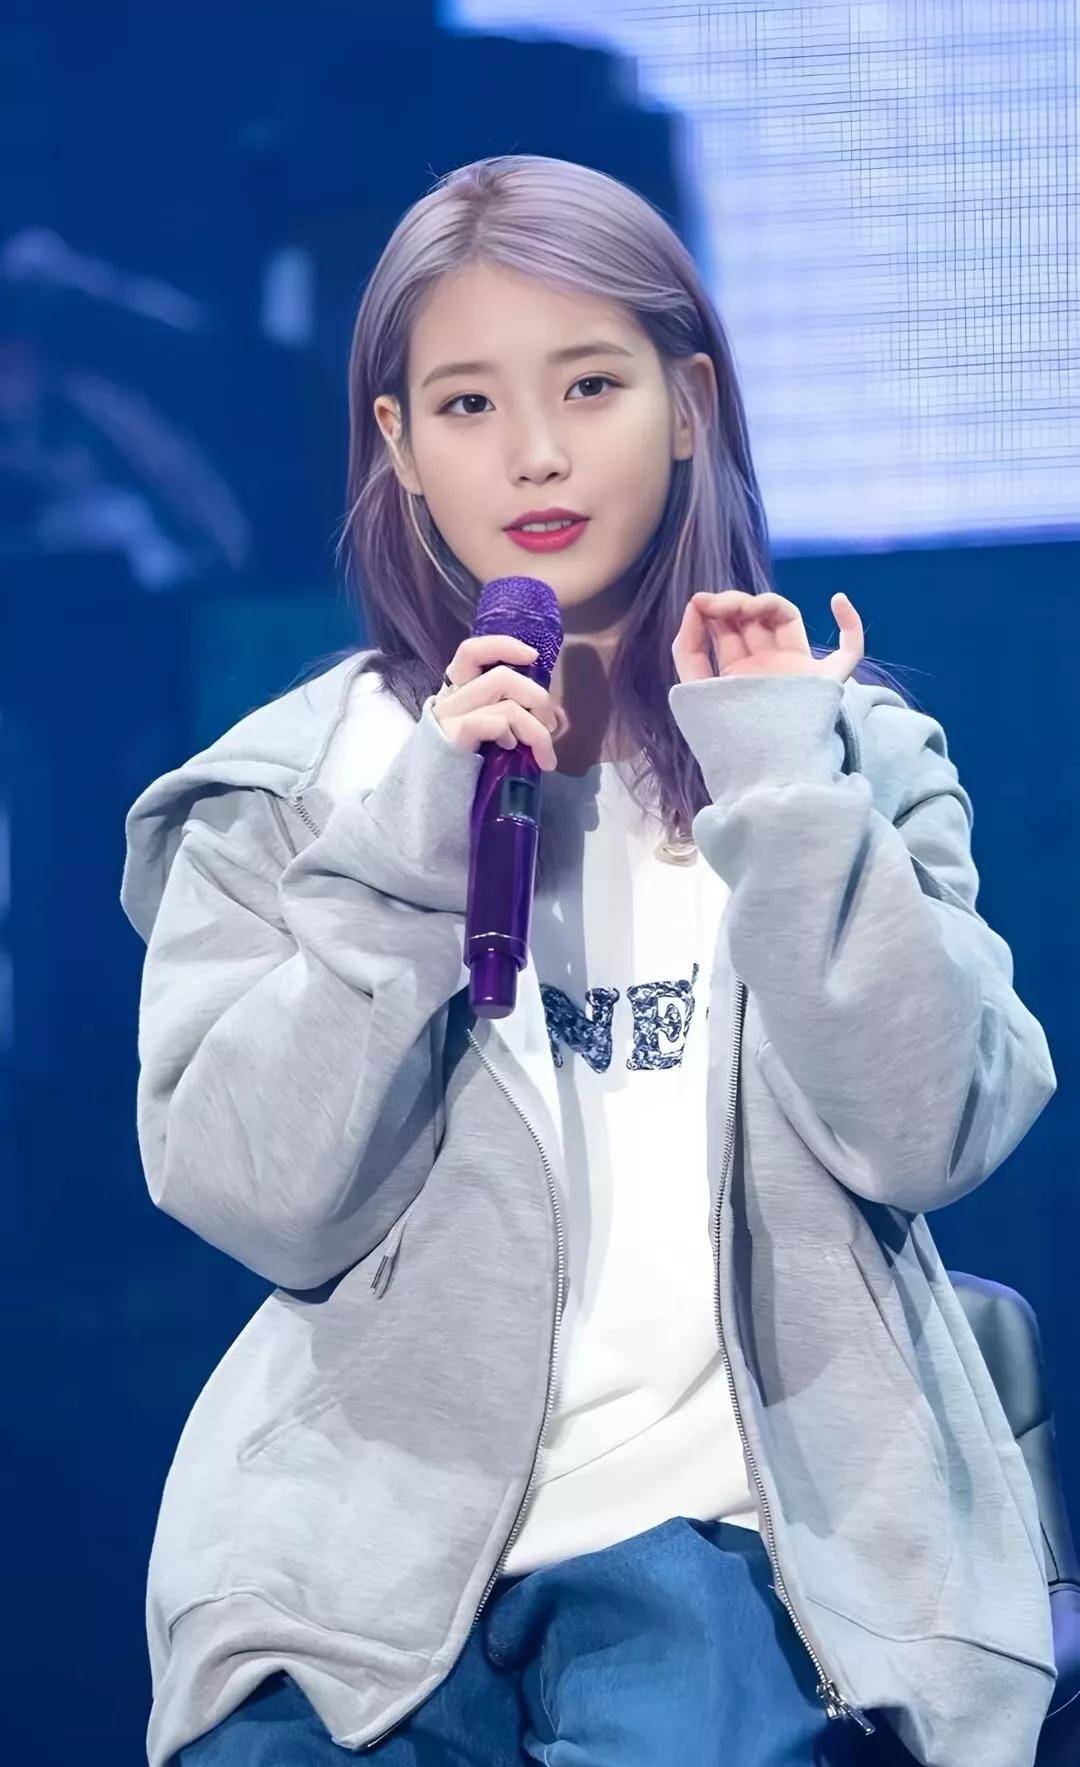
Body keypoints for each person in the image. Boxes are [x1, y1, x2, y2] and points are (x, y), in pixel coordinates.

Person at [121, 157, 1058, 1767]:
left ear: (689, 406)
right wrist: (412, 847)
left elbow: (931, 1136)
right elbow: (253, 1196)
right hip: (358, 1561)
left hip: (754, 1544)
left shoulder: (845, 755)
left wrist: (781, 784)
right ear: (398, 445)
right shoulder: (292, 787)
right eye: (468, 404)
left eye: (590, 386)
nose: (536, 453)